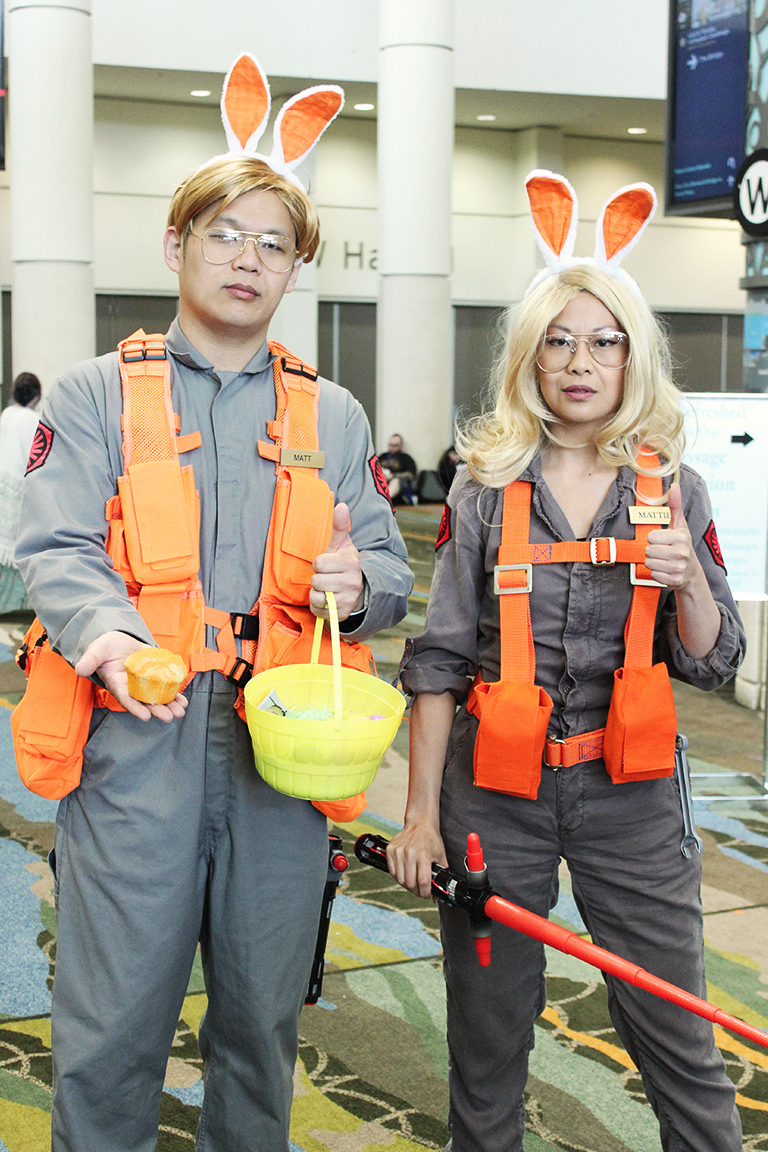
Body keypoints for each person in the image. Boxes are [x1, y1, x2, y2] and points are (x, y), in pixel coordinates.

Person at [15, 54, 413, 1152]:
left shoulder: (333, 414)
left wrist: (361, 583)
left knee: (261, 1026)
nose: (247, 260)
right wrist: (112, 646)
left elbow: (385, 566)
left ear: (295, 270)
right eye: (224, 235)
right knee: (110, 1033)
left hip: (283, 765)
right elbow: (52, 546)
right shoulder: (95, 394)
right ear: (178, 246)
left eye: (272, 244)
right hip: (136, 749)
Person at [387, 172, 745, 1152]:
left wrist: (688, 583)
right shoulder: (483, 488)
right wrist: (418, 816)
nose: (579, 361)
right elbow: (438, 662)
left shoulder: (674, 487)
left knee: (681, 1039)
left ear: (633, 355)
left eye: (603, 340)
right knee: (488, 1044)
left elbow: (714, 666)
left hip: (630, 794)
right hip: (494, 795)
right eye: (557, 340)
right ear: (530, 358)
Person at [0, 371, 41, 612]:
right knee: (16, 558)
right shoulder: (31, 419)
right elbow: (35, 460)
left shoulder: (6, 414)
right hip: (16, 496)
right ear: (36, 396)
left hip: (2, 487)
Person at [380, 432, 417, 504]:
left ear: (400, 446)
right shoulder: (382, 457)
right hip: (382, 480)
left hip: (399, 483)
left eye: (395, 445)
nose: (392, 448)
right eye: (390, 445)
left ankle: (384, 499)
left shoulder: (406, 458)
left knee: (396, 480)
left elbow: (410, 475)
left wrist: (393, 476)